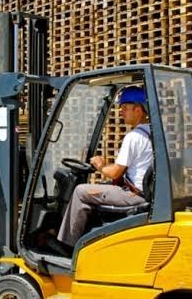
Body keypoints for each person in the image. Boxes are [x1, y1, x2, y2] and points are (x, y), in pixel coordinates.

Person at [48, 85, 154, 257]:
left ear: (138, 109)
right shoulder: (151, 132)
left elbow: (115, 173)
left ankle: (67, 247)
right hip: (141, 190)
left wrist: (100, 165)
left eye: (125, 107)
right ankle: (88, 239)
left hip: (134, 194)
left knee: (81, 191)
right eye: (121, 107)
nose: (121, 111)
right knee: (99, 188)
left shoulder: (134, 137)